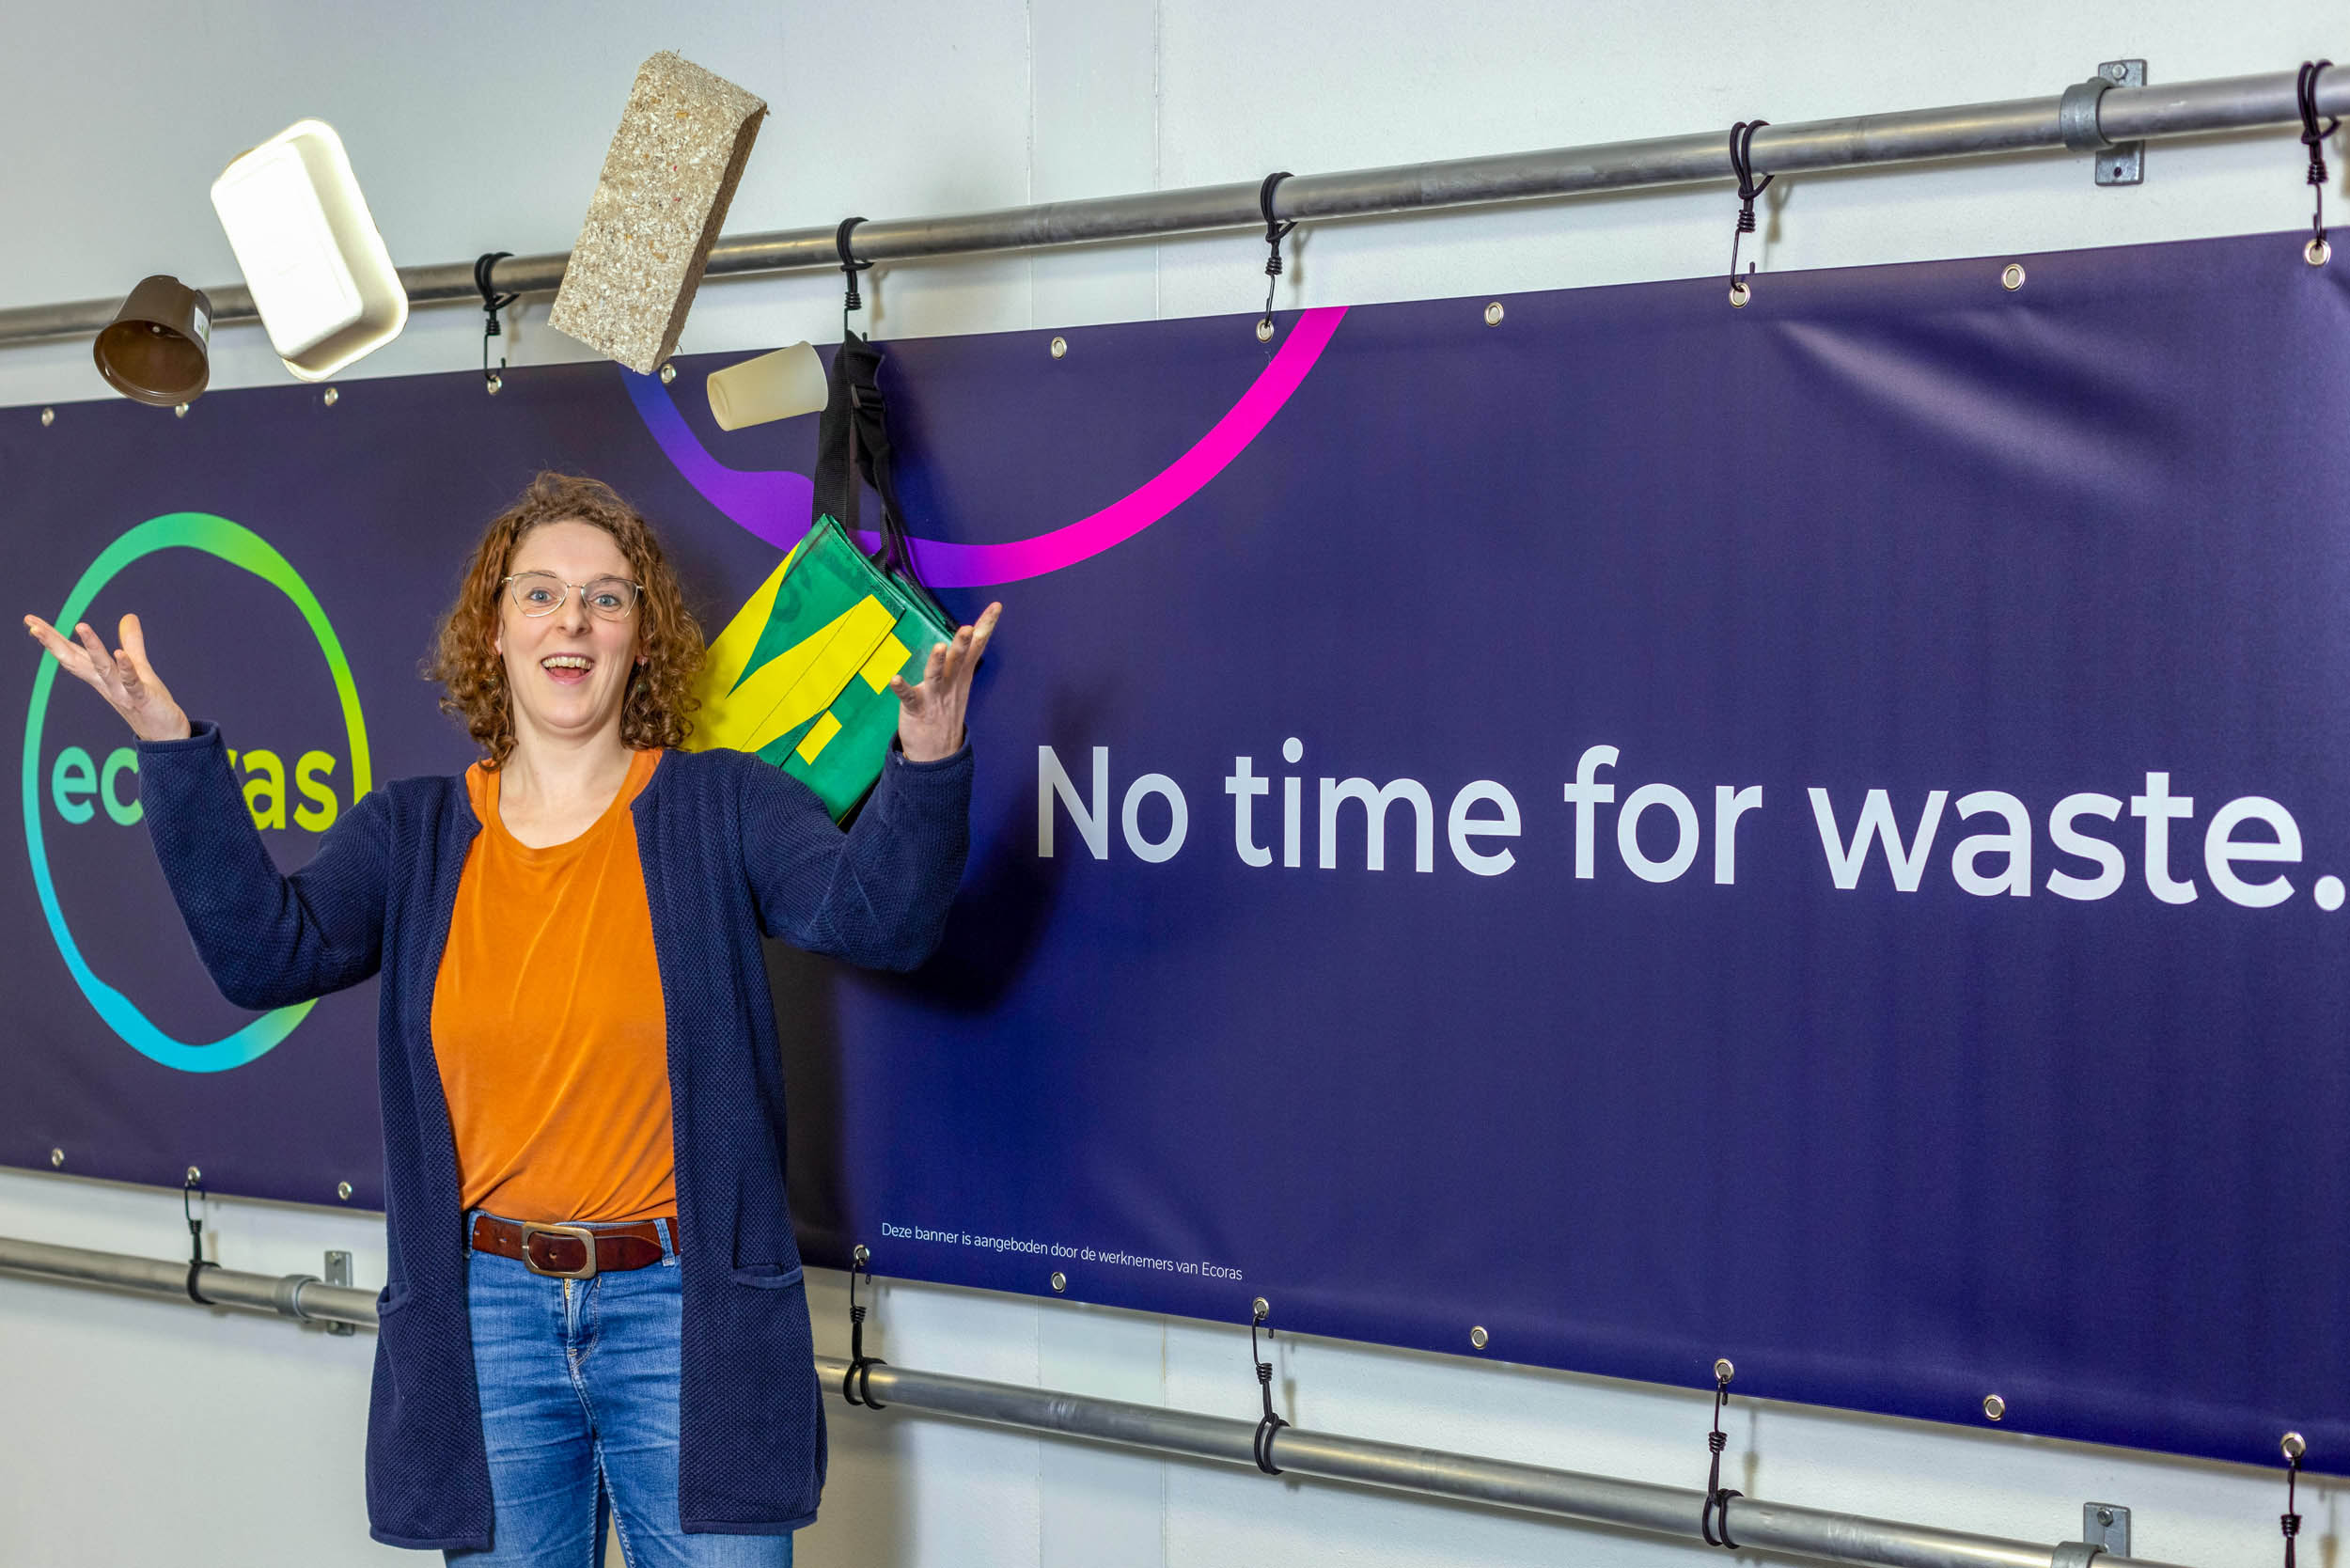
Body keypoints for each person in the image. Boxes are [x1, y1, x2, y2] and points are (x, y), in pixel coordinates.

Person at [24, 471, 1002, 1565]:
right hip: (485, 1323)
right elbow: (264, 957)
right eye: (539, 594)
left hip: (686, 1319)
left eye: (606, 598)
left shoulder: (724, 807)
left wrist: (928, 758)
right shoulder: (414, 833)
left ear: (643, 638)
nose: (571, 620)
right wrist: (171, 748)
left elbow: (880, 922)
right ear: (493, 633)